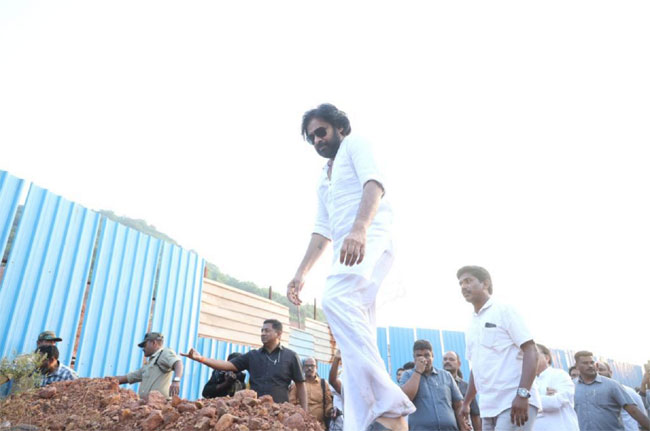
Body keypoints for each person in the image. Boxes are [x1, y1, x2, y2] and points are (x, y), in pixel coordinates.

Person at [287, 103, 414, 431]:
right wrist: (300, 274)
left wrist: (359, 229)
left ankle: (389, 402)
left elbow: (375, 183)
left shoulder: (356, 145)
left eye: (321, 132)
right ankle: (371, 421)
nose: (317, 140)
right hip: (346, 251)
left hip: (369, 237)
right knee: (357, 331)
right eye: (312, 137)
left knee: (335, 300)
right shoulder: (323, 178)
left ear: (340, 127)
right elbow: (321, 230)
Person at [456, 265, 541, 431]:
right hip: (488, 407)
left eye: (468, 281)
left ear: (485, 283)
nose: (463, 286)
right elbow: (476, 368)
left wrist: (523, 394)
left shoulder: (504, 310)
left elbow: (531, 351)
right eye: (461, 283)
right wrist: (466, 402)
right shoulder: (472, 324)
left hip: (514, 401)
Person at [182, 319, 307, 409]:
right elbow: (226, 365)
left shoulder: (291, 356)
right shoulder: (252, 356)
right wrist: (201, 359)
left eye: (267, 330)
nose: (263, 333)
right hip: (256, 411)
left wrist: (305, 411)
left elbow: (300, 385)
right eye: (262, 330)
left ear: (278, 334)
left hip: (279, 411)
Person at [399, 340, 468, 431]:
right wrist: (418, 371)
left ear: (433, 356)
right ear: (414, 358)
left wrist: (463, 425)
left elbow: (458, 405)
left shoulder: (446, 375)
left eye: (427, 355)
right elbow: (406, 399)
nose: (423, 359)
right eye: (419, 356)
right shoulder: (407, 375)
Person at [573, 351, 649, 431]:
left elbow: (633, 410)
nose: (590, 366)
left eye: (592, 362)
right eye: (585, 363)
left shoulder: (612, 385)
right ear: (577, 366)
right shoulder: (572, 387)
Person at [114, 332, 183, 398]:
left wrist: (176, 380)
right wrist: (110, 380)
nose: (143, 349)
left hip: (160, 404)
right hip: (147, 404)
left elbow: (178, 363)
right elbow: (129, 377)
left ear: (154, 343)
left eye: (145, 345)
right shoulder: (149, 364)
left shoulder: (164, 353)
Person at [533, 343, 579, 431]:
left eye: (534, 354)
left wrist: (528, 399)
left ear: (547, 358)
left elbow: (555, 402)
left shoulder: (560, 375)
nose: (529, 358)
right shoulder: (527, 381)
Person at [596, 360, 649, 431]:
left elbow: (643, 417)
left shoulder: (629, 392)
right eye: (595, 370)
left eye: (601, 369)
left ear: (610, 372)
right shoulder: (590, 397)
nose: (598, 373)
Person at [289, 357, 333, 429]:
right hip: (302, 426)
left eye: (312, 366)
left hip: (319, 426)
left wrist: (331, 411)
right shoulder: (297, 384)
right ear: (303, 368)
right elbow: (291, 404)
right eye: (307, 366)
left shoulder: (323, 384)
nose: (309, 368)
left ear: (316, 368)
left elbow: (328, 404)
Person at [443, 351, 481, 431]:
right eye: (445, 359)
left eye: (451, 359)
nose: (447, 361)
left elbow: (475, 414)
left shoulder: (466, 387)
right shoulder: (437, 385)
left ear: (459, 364)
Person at [328, 349, 345, 431]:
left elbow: (333, 381)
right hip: (338, 419)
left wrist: (336, 358)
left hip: (345, 421)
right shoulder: (342, 373)